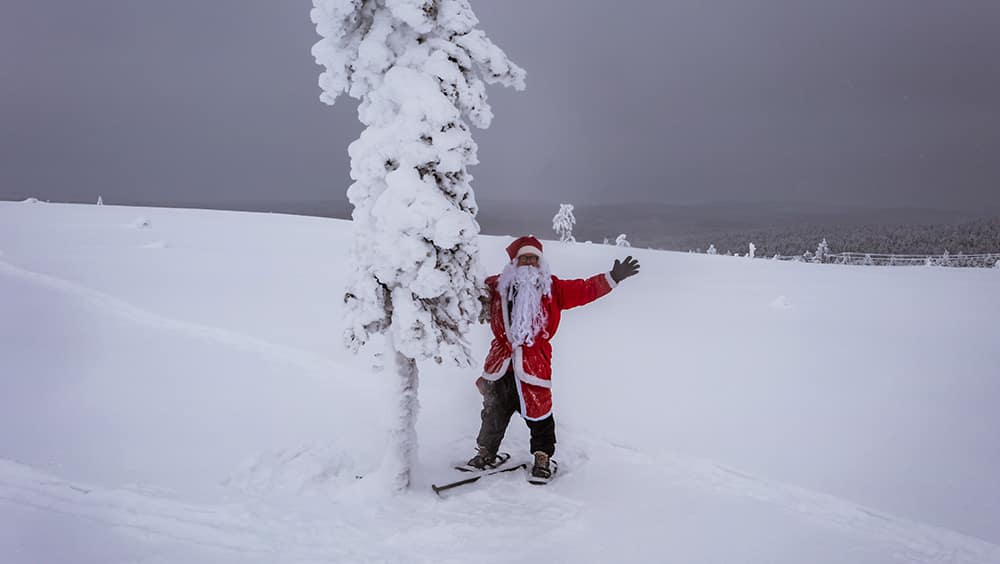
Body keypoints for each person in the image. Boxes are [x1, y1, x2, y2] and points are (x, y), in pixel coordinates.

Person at [467, 235, 641, 480]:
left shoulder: (553, 288)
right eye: (523, 258)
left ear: (540, 262)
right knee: (493, 411)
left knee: (540, 415)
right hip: (500, 364)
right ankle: (486, 452)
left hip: (533, 365)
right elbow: (467, 294)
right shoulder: (497, 286)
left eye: (533, 258)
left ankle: (542, 457)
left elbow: (584, 289)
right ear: (514, 262)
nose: (528, 262)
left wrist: (611, 278)